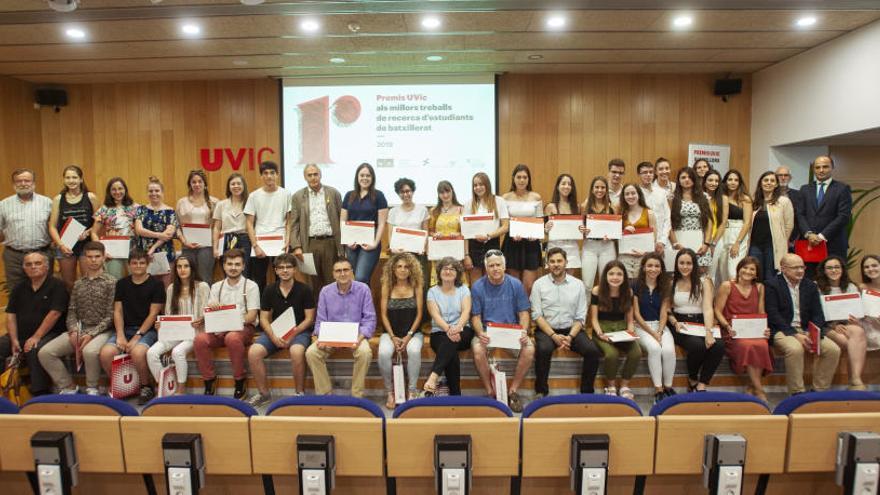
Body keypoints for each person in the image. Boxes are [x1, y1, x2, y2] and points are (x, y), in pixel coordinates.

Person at [38, 242, 115, 395]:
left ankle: (92, 387)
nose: (93, 260)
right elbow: (72, 310)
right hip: (79, 328)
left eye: (97, 257)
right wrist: (73, 331)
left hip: (103, 331)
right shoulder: (78, 284)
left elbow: (111, 315)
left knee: (90, 351)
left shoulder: (112, 282)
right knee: (46, 352)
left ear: (103, 258)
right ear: (84, 259)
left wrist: (91, 334)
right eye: (90, 257)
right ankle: (68, 386)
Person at [246, 253, 316, 407]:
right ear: (276, 270)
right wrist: (272, 336)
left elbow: (309, 319)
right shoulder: (269, 289)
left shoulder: (305, 289)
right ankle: (264, 394)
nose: (285, 271)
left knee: (296, 352)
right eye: (281, 268)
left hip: (299, 332)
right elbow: (264, 318)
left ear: (295, 270)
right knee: (253, 352)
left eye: (288, 267)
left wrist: (292, 334)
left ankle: (299, 393)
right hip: (275, 331)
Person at [766, 253, 840, 394]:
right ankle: (797, 393)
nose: (800, 271)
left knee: (833, 350)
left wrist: (811, 332)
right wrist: (795, 334)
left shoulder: (810, 285)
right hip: (782, 329)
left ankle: (819, 391)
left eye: (802, 267)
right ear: (784, 269)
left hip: (807, 329)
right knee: (795, 349)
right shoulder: (772, 285)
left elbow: (818, 313)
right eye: (795, 268)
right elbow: (773, 315)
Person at [531, 248, 601, 397]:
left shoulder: (578, 285)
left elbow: (581, 316)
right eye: (552, 261)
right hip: (547, 330)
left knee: (593, 351)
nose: (556, 265)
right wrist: (553, 335)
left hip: (572, 329)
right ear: (547, 264)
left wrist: (569, 337)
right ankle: (541, 391)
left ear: (566, 263)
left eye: (559, 261)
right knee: (543, 350)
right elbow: (537, 315)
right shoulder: (539, 284)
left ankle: (587, 392)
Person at [470, 250, 534, 413]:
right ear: (486, 268)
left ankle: (512, 391)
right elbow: (475, 317)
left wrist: (523, 331)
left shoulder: (516, 284)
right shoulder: (477, 286)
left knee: (529, 348)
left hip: (511, 331)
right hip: (488, 332)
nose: (495, 268)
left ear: (504, 267)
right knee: (477, 349)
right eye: (491, 266)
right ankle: (490, 391)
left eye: (498, 265)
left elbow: (524, 313)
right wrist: (480, 333)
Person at [99, 249, 164, 404]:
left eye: (142, 263)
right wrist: (120, 334)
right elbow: (118, 311)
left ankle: (145, 386)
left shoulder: (157, 284)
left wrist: (137, 336)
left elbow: (153, 314)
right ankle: (122, 386)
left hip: (147, 330)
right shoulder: (121, 284)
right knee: (106, 353)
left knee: (138, 352)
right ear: (129, 265)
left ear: (148, 264)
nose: (138, 266)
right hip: (125, 329)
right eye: (134, 263)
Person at [194, 248, 260, 399]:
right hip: (219, 329)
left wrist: (229, 324)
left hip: (244, 329)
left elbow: (251, 316)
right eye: (229, 264)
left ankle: (239, 380)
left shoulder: (251, 286)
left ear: (243, 266)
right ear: (224, 266)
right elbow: (210, 314)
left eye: (237, 264)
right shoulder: (217, 287)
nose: (233, 268)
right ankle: (209, 379)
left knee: (232, 337)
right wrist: (211, 310)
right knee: (200, 340)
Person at [1, 251, 68, 396]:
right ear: (24, 268)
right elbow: (11, 314)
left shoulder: (57, 286)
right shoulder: (19, 287)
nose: (33, 267)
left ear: (46, 266)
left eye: (38, 263)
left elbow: (55, 313)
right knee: (2, 345)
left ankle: (40, 392)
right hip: (20, 334)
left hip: (50, 333)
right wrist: (13, 340)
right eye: (29, 264)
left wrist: (36, 337)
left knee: (33, 348)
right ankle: (3, 387)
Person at [306, 258, 375, 398]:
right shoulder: (325, 291)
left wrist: (359, 338)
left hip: (356, 335)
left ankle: (357, 395)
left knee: (365, 352)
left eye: (346, 270)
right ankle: (325, 395)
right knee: (311, 353)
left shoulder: (363, 289)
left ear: (352, 272)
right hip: (331, 336)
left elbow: (370, 319)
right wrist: (320, 338)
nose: (342, 273)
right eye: (338, 271)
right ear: (333, 274)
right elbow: (320, 321)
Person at [147, 255, 210, 396]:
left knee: (177, 352)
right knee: (151, 353)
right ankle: (166, 385)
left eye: (186, 266)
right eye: (179, 267)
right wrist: (161, 324)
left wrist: (203, 319)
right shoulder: (171, 288)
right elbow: (168, 314)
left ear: (192, 268)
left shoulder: (202, 286)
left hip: (195, 332)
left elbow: (208, 313)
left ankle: (181, 390)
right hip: (175, 332)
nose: (182, 270)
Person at [714, 257, 773, 403]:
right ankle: (759, 391)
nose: (747, 271)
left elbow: (761, 312)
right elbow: (717, 311)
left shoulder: (759, 287)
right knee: (746, 345)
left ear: (756, 274)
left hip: (753, 330)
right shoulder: (727, 286)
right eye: (745, 268)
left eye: (752, 269)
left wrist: (764, 329)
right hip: (732, 330)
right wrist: (727, 326)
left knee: (762, 344)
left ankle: (753, 386)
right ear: (739, 269)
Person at [666, 249, 724, 391]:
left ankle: (702, 383)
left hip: (701, 321)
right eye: (681, 263)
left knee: (718, 346)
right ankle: (692, 378)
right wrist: (674, 322)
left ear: (694, 265)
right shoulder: (671, 282)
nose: (685, 267)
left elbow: (708, 309)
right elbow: (667, 309)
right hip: (680, 322)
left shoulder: (704, 281)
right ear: (676, 264)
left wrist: (709, 331)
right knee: (697, 346)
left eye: (689, 263)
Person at [377, 252, 424, 407]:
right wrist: (392, 336)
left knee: (414, 351)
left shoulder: (417, 285)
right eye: (399, 266)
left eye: (406, 267)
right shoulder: (387, 286)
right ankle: (390, 392)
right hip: (390, 333)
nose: (403, 270)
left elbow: (419, 315)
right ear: (393, 269)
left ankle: (412, 391)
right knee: (383, 353)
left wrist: (409, 336)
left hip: (413, 333)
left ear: (411, 270)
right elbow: (383, 315)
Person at [590, 260, 641, 399]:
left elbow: (630, 320)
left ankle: (624, 385)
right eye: (611, 273)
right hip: (602, 329)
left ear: (624, 276)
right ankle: (611, 385)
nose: (615, 277)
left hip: (621, 329)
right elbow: (593, 319)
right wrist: (600, 334)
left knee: (636, 352)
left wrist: (630, 333)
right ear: (605, 275)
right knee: (611, 354)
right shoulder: (597, 290)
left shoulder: (628, 292)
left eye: (619, 274)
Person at [815, 255, 868, 390]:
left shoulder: (851, 287)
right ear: (824, 271)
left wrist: (856, 319)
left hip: (845, 324)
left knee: (859, 331)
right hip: (825, 326)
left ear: (843, 269)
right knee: (847, 342)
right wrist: (833, 325)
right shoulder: (816, 287)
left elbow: (857, 310)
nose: (834, 270)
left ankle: (856, 378)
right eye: (829, 268)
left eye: (837, 267)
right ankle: (852, 381)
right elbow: (814, 313)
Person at [290, 164, 343, 295]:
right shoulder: (298, 196)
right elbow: (294, 224)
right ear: (305, 177)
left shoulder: (333, 193)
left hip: (330, 243)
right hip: (309, 244)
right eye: (310, 175)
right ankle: (316, 315)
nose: (313, 178)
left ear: (320, 175)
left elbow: (342, 219)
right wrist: (296, 246)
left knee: (332, 281)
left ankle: (332, 314)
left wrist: (343, 246)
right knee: (313, 284)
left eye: (315, 174)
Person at [423, 257, 473, 396]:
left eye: (452, 269)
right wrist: (448, 329)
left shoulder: (463, 289)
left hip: (463, 330)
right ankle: (456, 395)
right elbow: (435, 314)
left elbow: (466, 311)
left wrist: (457, 328)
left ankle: (433, 378)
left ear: (457, 273)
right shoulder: (432, 291)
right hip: (440, 331)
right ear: (439, 272)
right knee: (451, 352)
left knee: (449, 343)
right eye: (445, 268)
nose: (448, 271)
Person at [797, 155, 852, 277]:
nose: (821, 170)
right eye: (817, 167)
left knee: (835, 279)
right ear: (814, 169)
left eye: (825, 167)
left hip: (833, 244)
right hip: (809, 244)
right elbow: (800, 214)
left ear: (832, 167)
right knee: (810, 279)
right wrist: (809, 233)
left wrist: (822, 236)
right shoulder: (805, 189)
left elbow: (843, 216)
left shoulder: (843, 189)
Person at [0, 168, 53, 293]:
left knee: (45, 290)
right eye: (19, 181)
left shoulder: (47, 203)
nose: (23, 184)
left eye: (27, 180)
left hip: (42, 253)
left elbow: (55, 227)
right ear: (14, 184)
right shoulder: (3, 205)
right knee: (16, 291)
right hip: (14, 256)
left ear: (33, 183)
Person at [632, 253, 676, 403]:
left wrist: (660, 331)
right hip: (641, 327)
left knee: (669, 350)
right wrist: (652, 334)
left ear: (661, 269)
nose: (653, 269)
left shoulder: (665, 285)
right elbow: (636, 314)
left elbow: (664, 312)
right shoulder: (635, 285)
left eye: (657, 266)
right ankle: (658, 390)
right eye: (649, 265)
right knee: (655, 349)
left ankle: (668, 388)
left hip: (660, 325)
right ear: (644, 267)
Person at [48, 165, 97, 290]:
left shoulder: (90, 197)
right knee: (68, 283)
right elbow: (52, 226)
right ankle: (72, 309)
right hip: (66, 245)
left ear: (81, 179)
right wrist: (61, 245)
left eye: (74, 177)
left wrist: (87, 232)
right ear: (64, 180)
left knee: (88, 282)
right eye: (68, 177)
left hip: (87, 245)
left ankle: (87, 309)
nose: (71, 180)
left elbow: (99, 223)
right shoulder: (58, 199)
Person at [245, 161, 292, 292]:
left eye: (272, 173)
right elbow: (249, 223)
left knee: (282, 278)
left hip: (280, 242)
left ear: (277, 175)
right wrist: (255, 245)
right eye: (265, 173)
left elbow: (289, 221)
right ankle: (262, 311)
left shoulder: (286, 194)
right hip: (260, 243)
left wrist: (288, 242)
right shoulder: (254, 196)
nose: (269, 176)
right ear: (261, 176)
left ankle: (280, 310)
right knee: (259, 281)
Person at [341, 162, 388, 285]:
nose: (365, 178)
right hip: (352, 244)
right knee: (356, 280)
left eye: (368, 175)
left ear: (372, 178)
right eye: (362, 175)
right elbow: (342, 221)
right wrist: (347, 241)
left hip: (370, 244)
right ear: (357, 177)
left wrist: (375, 243)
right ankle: (364, 304)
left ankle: (364, 304)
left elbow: (382, 223)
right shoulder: (349, 195)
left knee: (361, 277)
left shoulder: (379, 196)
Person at [501, 164, 543, 295]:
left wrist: (536, 234)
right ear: (513, 178)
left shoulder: (536, 197)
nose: (522, 180)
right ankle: (514, 314)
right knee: (514, 285)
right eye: (518, 177)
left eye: (525, 177)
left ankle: (527, 313)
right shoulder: (505, 198)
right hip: (512, 243)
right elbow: (503, 223)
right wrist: (511, 232)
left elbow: (540, 221)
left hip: (531, 244)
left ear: (529, 179)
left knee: (529, 286)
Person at [464, 172, 509, 284]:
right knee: (476, 283)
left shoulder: (499, 201)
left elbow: (505, 226)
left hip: (492, 243)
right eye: (475, 185)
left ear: (487, 185)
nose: (478, 187)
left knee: (493, 279)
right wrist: (466, 255)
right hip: (473, 246)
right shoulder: (469, 204)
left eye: (481, 184)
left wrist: (488, 236)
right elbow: (464, 232)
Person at [749, 171, 794, 282]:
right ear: (760, 183)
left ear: (776, 184)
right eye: (766, 180)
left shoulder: (784, 201)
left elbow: (789, 225)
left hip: (774, 246)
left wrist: (782, 241)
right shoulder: (754, 201)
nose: (769, 183)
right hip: (755, 245)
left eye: (772, 180)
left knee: (771, 277)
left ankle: (770, 299)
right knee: (755, 275)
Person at [135, 176, 178, 287]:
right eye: (151, 191)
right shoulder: (141, 209)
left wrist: (153, 248)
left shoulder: (170, 211)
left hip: (165, 254)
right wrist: (159, 234)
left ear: (162, 192)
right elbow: (139, 230)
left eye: (157, 190)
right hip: (144, 255)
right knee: (146, 288)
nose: (154, 193)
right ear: (147, 193)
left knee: (166, 287)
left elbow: (168, 234)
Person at [176, 169, 218, 284]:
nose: (197, 184)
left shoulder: (214, 202)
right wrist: (184, 242)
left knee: (205, 278)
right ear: (189, 184)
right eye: (193, 182)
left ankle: (205, 302)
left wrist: (215, 247)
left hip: (207, 247)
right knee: (187, 279)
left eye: (200, 181)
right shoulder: (182, 202)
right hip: (187, 246)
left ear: (205, 184)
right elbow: (177, 226)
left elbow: (217, 227)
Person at [93, 177, 138, 279]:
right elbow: (94, 233)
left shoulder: (136, 208)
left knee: (135, 280)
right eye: (114, 189)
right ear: (109, 192)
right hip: (112, 252)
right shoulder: (104, 209)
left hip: (133, 250)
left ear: (125, 190)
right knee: (114, 281)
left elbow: (141, 230)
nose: (117, 192)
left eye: (120, 188)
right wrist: (102, 250)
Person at [670, 167, 712, 269]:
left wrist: (706, 243)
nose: (687, 180)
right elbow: (668, 223)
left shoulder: (705, 197)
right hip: (678, 241)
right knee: (678, 273)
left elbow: (709, 222)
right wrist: (675, 244)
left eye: (689, 177)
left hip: (699, 242)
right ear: (679, 181)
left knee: (701, 273)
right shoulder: (671, 197)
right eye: (683, 177)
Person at [580, 176, 617, 290]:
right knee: (587, 283)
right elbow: (579, 228)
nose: (599, 190)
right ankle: (586, 308)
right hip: (589, 246)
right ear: (592, 189)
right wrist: (582, 230)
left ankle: (603, 308)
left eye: (602, 187)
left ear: (606, 190)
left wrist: (611, 236)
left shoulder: (613, 207)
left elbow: (616, 230)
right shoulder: (584, 206)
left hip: (607, 246)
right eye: (597, 187)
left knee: (606, 282)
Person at [427, 181, 468, 286]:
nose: (445, 195)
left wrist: (458, 234)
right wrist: (434, 234)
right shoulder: (434, 211)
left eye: (447, 191)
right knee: (439, 284)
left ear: (452, 191)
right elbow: (429, 231)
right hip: (439, 253)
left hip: (456, 252)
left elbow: (466, 232)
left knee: (456, 283)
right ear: (438, 194)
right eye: (441, 192)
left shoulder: (461, 209)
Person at [717, 170, 753, 285]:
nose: (733, 182)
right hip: (722, 233)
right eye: (730, 179)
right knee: (721, 271)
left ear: (740, 182)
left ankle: (735, 300)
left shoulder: (745, 199)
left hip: (738, 233)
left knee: (733, 270)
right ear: (725, 181)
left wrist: (737, 243)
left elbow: (747, 223)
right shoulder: (721, 197)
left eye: (736, 180)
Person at [212, 173, 251, 275]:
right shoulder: (221, 204)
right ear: (229, 187)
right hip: (226, 241)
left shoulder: (250, 203)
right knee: (228, 272)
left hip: (245, 240)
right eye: (233, 184)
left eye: (239, 183)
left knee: (244, 273)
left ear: (243, 186)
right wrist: (215, 248)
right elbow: (216, 227)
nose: (236, 186)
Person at [544, 174, 581, 274]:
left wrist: (581, 229)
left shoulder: (577, 206)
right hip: (555, 246)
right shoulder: (550, 207)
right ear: (557, 186)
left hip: (572, 246)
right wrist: (545, 229)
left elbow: (579, 228)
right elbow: (544, 233)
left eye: (569, 184)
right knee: (554, 279)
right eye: (563, 183)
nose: (566, 186)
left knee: (569, 280)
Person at [619, 184, 657, 277]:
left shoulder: (649, 213)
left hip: (643, 257)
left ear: (639, 194)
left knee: (641, 286)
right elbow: (615, 235)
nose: (630, 196)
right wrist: (624, 230)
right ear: (623, 197)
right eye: (627, 194)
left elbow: (654, 238)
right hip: (625, 257)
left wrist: (646, 253)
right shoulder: (621, 214)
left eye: (633, 193)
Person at [636, 161, 671, 253]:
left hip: (663, 242)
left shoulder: (662, 192)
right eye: (644, 172)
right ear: (638, 175)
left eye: (650, 172)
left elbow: (667, 218)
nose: (648, 175)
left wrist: (662, 241)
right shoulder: (635, 194)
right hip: (643, 242)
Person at [703, 169, 729, 280]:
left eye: (716, 181)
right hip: (701, 238)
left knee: (711, 273)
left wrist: (713, 243)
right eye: (710, 180)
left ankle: (711, 297)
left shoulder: (723, 198)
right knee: (701, 272)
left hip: (716, 239)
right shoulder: (700, 197)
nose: (713, 183)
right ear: (704, 182)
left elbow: (723, 222)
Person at [775, 165, 802, 249]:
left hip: (793, 240)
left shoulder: (798, 195)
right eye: (780, 175)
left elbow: (800, 218)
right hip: (773, 237)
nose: (783, 178)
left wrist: (794, 239)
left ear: (790, 178)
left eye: (786, 175)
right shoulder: (769, 194)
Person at [858, 255, 880, 352]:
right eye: (866, 267)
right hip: (869, 327)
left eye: (874, 265)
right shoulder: (861, 288)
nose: (871, 269)